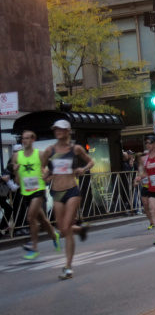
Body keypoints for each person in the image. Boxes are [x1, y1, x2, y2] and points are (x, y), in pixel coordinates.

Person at [42, 120, 94, 280]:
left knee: (66, 227)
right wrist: (46, 175)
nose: (58, 131)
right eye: (56, 129)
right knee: (63, 230)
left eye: (61, 129)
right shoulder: (49, 150)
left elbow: (91, 162)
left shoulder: (75, 149)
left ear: (68, 131)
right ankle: (80, 229)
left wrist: (82, 169)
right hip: (56, 192)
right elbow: (42, 166)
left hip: (72, 190)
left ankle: (68, 267)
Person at [13, 130, 61, 260]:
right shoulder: (17, 156)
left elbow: (53, 169)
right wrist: (16, 172)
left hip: (38, 189)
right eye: (23, 138)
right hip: (26, 192)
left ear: (33, 140)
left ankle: (34, 247)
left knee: (30, 217)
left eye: (27, 138)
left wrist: (47, 178)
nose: (25, 141)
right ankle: (54, 235)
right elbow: (17, 181)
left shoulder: (40, 154)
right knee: (43, 220)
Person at [134, 153, 153, 230]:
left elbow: (147, 174)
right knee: (145, 206)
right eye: (139, 159)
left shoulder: (148, 165)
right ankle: (151, 222)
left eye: (142, 158)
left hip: (152, 187)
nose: (141, 160)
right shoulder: (139, 167)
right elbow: (138, 176)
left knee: (152, 205)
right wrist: (135, 182)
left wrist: (140, 177)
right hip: (144, 187)